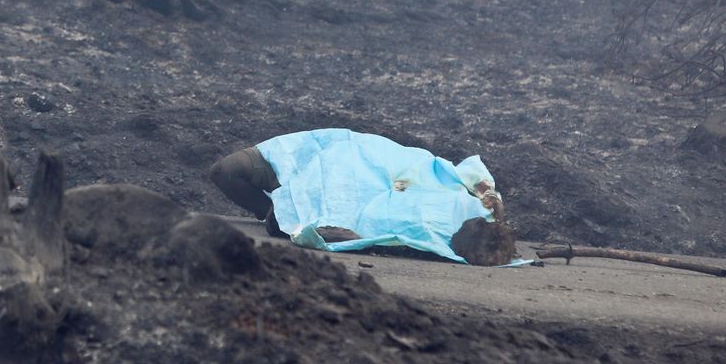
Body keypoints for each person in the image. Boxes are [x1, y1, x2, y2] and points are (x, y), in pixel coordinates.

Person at [209, 128, 517, 266]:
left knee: (408, 181)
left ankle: (476, 210)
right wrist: (274, 210)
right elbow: (224, 172)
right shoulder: (276, 169)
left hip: (348, 152)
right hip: (303, 167)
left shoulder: (288, 154)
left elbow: (349, 158)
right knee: (230, 175)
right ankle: (276, 213)